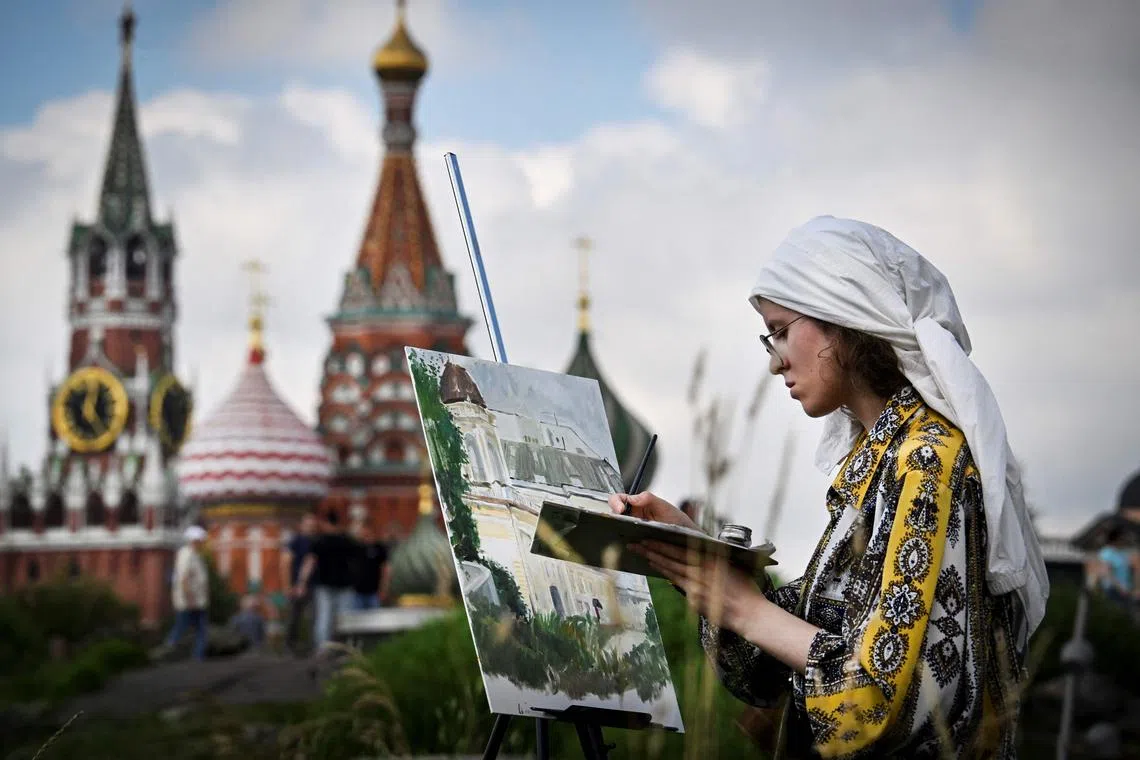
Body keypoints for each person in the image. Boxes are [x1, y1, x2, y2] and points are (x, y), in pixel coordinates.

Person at [609, 217, 1048, 759]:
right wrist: (696, 551)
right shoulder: (872, 468)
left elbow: (881, 700)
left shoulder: (928, 460)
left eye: (782, 330)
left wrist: (745, 608)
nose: (775, 361)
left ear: (843, 317)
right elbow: (768, 672)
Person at [296, 510, 356, 652]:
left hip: (324, 585)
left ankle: (323, 649)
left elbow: (309, 562)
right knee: (345, 618)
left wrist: (302, 583)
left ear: (326, 523)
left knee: (324, 618)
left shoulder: (319, 541)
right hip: (345, 584)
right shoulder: (347, 540)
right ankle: (346, 649)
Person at [164, 525, 210, 661]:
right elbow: (183, 578)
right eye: (200, 540)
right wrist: (189, 597)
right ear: (194, 540)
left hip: (198, 599)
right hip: (189, 600)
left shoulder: (196, 555)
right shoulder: (186, 554)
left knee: (200, 629)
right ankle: (167, 650)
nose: (202, 543)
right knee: (182, 626)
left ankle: (198, 656)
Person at [281, 513, 317, 654]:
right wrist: (288, 585)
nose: (311, 528)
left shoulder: (316, 541)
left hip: (313, 586)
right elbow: (285, 562)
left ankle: (309, 647)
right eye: (309, 525)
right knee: (293, 618)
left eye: (313, 525)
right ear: (302, 526)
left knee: (312, 618)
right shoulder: (296, 541)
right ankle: (289, 646)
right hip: (296, 586)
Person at [1092, 526, 1139, 607]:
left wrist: (1135, 589)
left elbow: (1132, 570)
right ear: (1116, 538)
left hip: (1126, 590)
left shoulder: (1122, 553)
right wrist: (1121, 588)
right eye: (1122, 537)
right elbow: (1107, 573)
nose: (1124, 540)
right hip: (1114, 590)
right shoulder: (1106, 553)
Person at [350, 522, 390, 610]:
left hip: (374, 592)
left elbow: (385, 569)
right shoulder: (356, 548)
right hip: (357, 591)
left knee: (374, 619)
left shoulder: (379, 548)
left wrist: (383, 588)